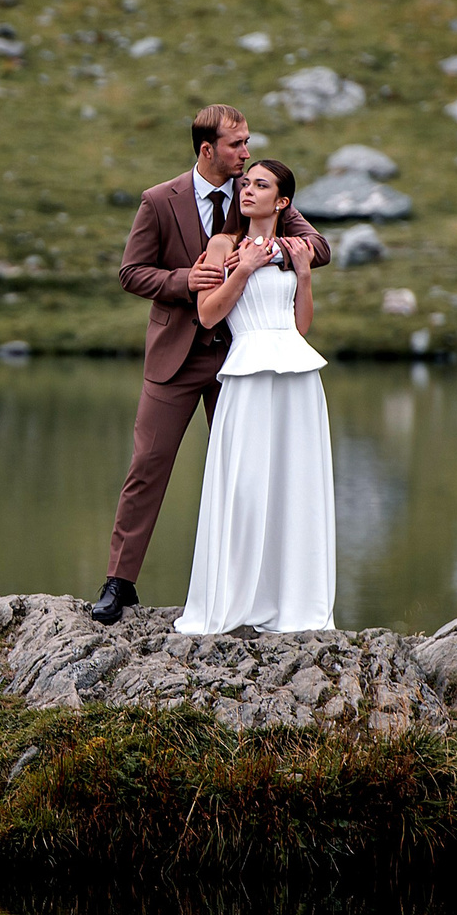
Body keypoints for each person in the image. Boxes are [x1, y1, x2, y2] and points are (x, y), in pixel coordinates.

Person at [88, 106, 330, 626]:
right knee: (147, 467)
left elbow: (317, 246)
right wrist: (185, 282)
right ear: (207, 149)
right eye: (236, 144)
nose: (245, 153)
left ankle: (252, 591)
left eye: (247, 144)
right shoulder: (158, 200)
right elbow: (132, 273)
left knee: (248, 474)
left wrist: (263, 250)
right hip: (175, 356)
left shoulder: (259, 193)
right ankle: (119, 583)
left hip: (241, 359)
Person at [172, 159, 336, 635]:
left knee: (295, 483)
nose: (246, 190)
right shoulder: (223, 245)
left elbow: (300, 326)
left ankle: (294, 604)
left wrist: (303, 274)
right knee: (244, 485)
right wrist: (241, 270)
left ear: (282, 202)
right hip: (245, 370)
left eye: (260, 185)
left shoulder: (295, 246)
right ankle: (234, 600)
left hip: (297, 375)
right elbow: (206, 315)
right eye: (245, 183)